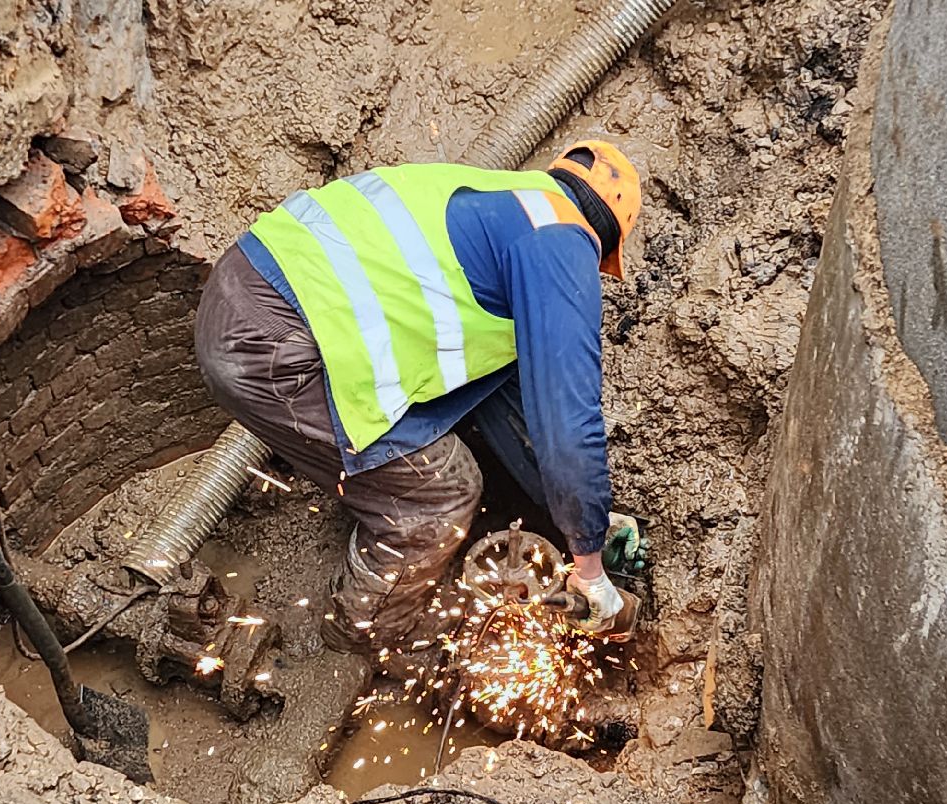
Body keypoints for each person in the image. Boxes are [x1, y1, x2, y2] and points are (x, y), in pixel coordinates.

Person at [193, 140, 643, 656]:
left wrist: (590, 521)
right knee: (439, 495)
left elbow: (511, 400)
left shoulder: (499, 200)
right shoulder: (563, 246)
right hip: (273, 345)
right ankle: (361, 638)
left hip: (241, 284)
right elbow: (570, 425)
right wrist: (589, 572)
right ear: (607, 243)